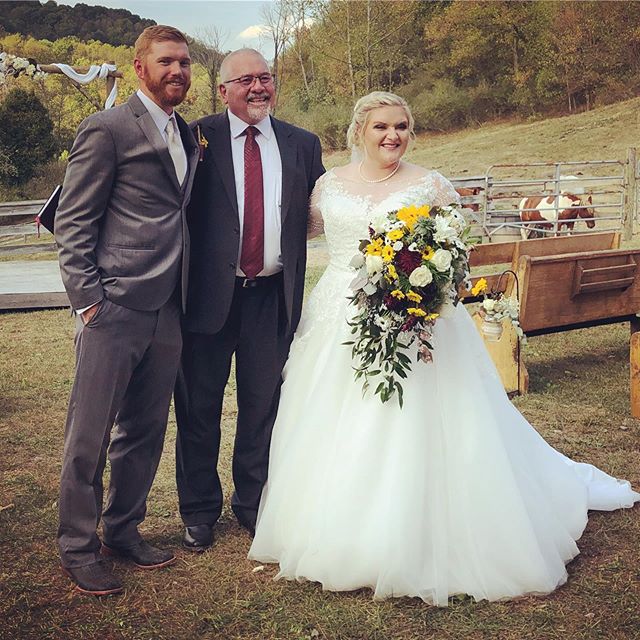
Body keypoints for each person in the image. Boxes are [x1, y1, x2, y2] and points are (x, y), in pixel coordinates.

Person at [248, 91, 640, 605]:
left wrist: (423, 290)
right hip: (336, 315)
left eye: (403, 126)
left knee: (415, 419)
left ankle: (416, 526)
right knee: (328, 414)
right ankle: (337, 524)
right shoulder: (327, 186)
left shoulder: (431, 185)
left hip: (417, 322)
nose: (393, 136)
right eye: (382, 127)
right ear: (358, 131)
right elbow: (297, 234)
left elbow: (456, 256)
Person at [56, 25, 199, 596]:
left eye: (185, 63)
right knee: (88, 436)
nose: (179, 72)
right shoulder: (107, 128)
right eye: (167, 62)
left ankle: (123, 529)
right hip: (113, 305)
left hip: (168, 307)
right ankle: (76, 545)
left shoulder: (186, 133)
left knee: (144, 429)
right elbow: (73, 221)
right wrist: (89, 300)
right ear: (140, 67)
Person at [174, 48, 324, 551]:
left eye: (266, 78)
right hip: (208, 299)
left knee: (263, 407)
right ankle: (198, 510)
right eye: (245, 80)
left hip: (272, 299)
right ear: (223, 91)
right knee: (199, 409)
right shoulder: (194, 136)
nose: (258, 87)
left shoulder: (303, 144)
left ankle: (254, 502)